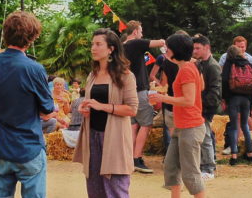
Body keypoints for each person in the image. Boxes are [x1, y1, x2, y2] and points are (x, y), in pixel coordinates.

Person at [0, 11, 54, 198]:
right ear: (32, 37)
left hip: (2, 147)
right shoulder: (34, 68)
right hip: (29, 147)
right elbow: (47, 111)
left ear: (5, 33)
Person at [73, 28, 138, 198]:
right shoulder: (92, 75)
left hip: (115, 140)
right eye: (92, 44)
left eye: (98, 44)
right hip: (92, 137)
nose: (93, 48)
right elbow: (92, 105)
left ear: (111, 49)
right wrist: (86, 109)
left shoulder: (125, 75)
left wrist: (103, 106)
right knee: (95, 190)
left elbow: (132, 109)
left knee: (116, 189)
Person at [149, 34, 206, 198]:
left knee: (190, 172)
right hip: (182, 126)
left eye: (168, 48)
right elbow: (198, 89)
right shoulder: (187, 67)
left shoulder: (187, 70)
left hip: (190, 126)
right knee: (171, 167)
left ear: (175, 51)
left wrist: (163, 98)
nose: (165, 51)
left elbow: (188, 100)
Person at [122, 20, 165, 173]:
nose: (142, 34)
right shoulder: (136, 43)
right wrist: (165, 43)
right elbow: (159, 42)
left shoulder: (122, 46)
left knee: (133, 125)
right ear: (135, 32)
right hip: (139, 90)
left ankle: (130, 157)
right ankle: (137, 158)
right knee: (146, 124)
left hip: (126, 92)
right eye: (141, 31)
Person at [219, 36, 252, 155]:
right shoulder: (250, 61)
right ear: (234, 46)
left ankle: (234, 150)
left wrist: (224, 98)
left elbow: (223, 78)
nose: (241, 49)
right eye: (238, 47)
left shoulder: (227, 59)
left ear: (246, 46)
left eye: (243, 46)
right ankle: (249, 148)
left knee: (236, 123)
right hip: (247, 97)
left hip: (233, 97)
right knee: (244, 122)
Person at [192, 35, 221, 179]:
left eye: (198, 48)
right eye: (194, 48)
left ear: (207, 48)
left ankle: (209, 168)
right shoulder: (200, 63)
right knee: (202, 137)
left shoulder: (212, 66)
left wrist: (203, 106)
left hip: (206, 107)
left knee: (205, 137)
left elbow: (214, 91)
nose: (194, 51)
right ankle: (205, 165)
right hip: (200, 106)